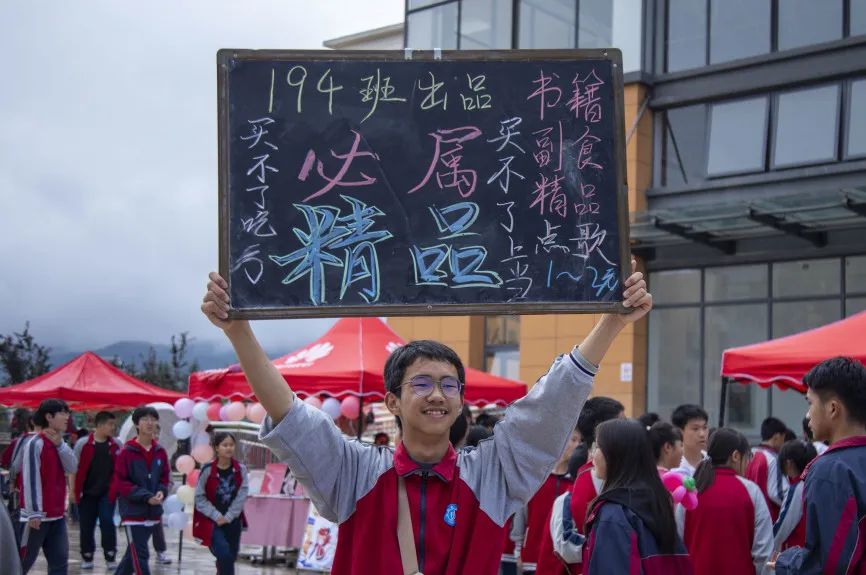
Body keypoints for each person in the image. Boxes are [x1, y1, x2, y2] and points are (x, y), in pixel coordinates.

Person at [200, 266, 652, 574]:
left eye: (449, 384)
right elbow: (291, 415)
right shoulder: (354, 470)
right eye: (421, 384)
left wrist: (612, 323)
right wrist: (238, 330)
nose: (437, 394)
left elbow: (549, 404)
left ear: (460, 401)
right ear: (391, 402)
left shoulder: (491, 474)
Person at [775, 357, 866, 574]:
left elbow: (829, 564)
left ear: (833, 409)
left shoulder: (830, 470)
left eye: (810, 403)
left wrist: (787, 562)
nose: (807, 415)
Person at [582, 418, 692, 573]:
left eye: (598, 446)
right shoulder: (657, 499)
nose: (593, 454)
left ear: (616, 453)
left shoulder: (614, 513)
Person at [535, 397, 624, 575]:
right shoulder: (574, 493)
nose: (627, 430)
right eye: (621, 422)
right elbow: (564, 546)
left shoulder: (624, 477)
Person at [679, 427, 773, 575]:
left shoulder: (691, 490)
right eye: (747, 457)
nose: (748, 464)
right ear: (736, 456)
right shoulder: (750, 491)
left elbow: (677, 545)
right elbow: (763, 554)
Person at [507, 424, 581, 574]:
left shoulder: (576, 482)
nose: (577, 445)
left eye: (579, 440)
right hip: (531, 557)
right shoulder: (536, 477)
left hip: (561, 561)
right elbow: (522, 515)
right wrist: (518, 549)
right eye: (573, 439)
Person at [19, 399, 78, 575]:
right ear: (49, 417)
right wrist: (34, 511)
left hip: (57, 516)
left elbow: (72, 467)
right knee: (22, 563)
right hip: (35, 517)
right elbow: (30, 478)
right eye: (62, 413)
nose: (67, 417)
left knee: (60, 565)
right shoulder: (35, 443)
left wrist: (60, 445)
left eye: (67, 413)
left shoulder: (60, 443)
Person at [110, 406, 170, 575]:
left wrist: (161, 491)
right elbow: (120, 482)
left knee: (132, 556)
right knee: (141, 555)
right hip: (132, 513)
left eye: (153, 419)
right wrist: (145, 497)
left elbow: (165, 478)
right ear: (136, 424)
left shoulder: (160, 452)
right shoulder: (126, 452)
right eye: (145, 419)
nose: (149, 423)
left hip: (152, 513)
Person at [193, 431, 249, 575]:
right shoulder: (207, 470)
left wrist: (229, 516)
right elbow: (199, 497)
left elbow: (242, 494)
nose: (229, 448)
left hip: (233, 521)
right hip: (212, 522)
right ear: (216, 448)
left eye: (231, 445)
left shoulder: (240, 469)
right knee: (224, 554)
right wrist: (216, 516)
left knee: (230, 557)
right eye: (225, 445)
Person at [73, 411, 121, 569]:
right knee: (86, 525)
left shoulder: (116, 444)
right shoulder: (83, 444)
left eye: (114, 424)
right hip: (86, 493)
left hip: (107, 493)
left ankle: (110, 555)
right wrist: (73, 491)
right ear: (99, 425)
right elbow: (73, 469)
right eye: (110, 424)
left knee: (107, 521)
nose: (113, 428)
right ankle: (87, 556)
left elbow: (121, 468)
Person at [772, 440, 817, 553]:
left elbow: (783, 527)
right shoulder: (811, 482)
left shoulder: (797, 489)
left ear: (788, 463)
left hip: (795, 552)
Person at [745, 416, 790, 521]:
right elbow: (778, 493)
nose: (784, 442)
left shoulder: (749, 454)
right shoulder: (773, 458)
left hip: (747, 513)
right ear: (777, 437)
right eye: (783, 438)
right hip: (766, 517)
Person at [671, 404, 709, 476]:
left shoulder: (712, 462)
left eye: (705, 427)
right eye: (695, 429)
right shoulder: (674, 466)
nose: (702, 434)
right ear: (680, 431)